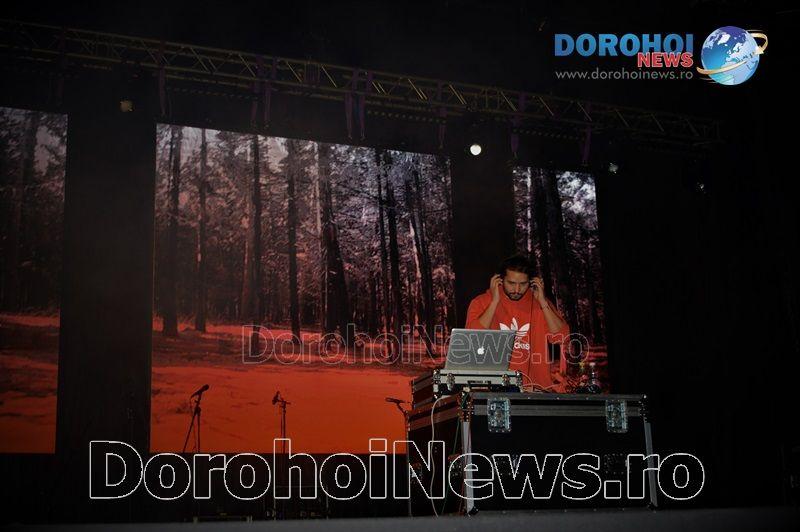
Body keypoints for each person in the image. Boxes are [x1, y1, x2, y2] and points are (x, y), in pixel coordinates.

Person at [465, 254, 570, 390]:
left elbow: (561, 338)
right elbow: (472, 340)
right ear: (499, 280)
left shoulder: (540, 303)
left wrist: (543, 301)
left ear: (532, 282)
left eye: (523, 284)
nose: (517, 290)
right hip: (494, 390)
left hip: (536, 390)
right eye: (511, 283)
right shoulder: (481, 302)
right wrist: (494, 302)